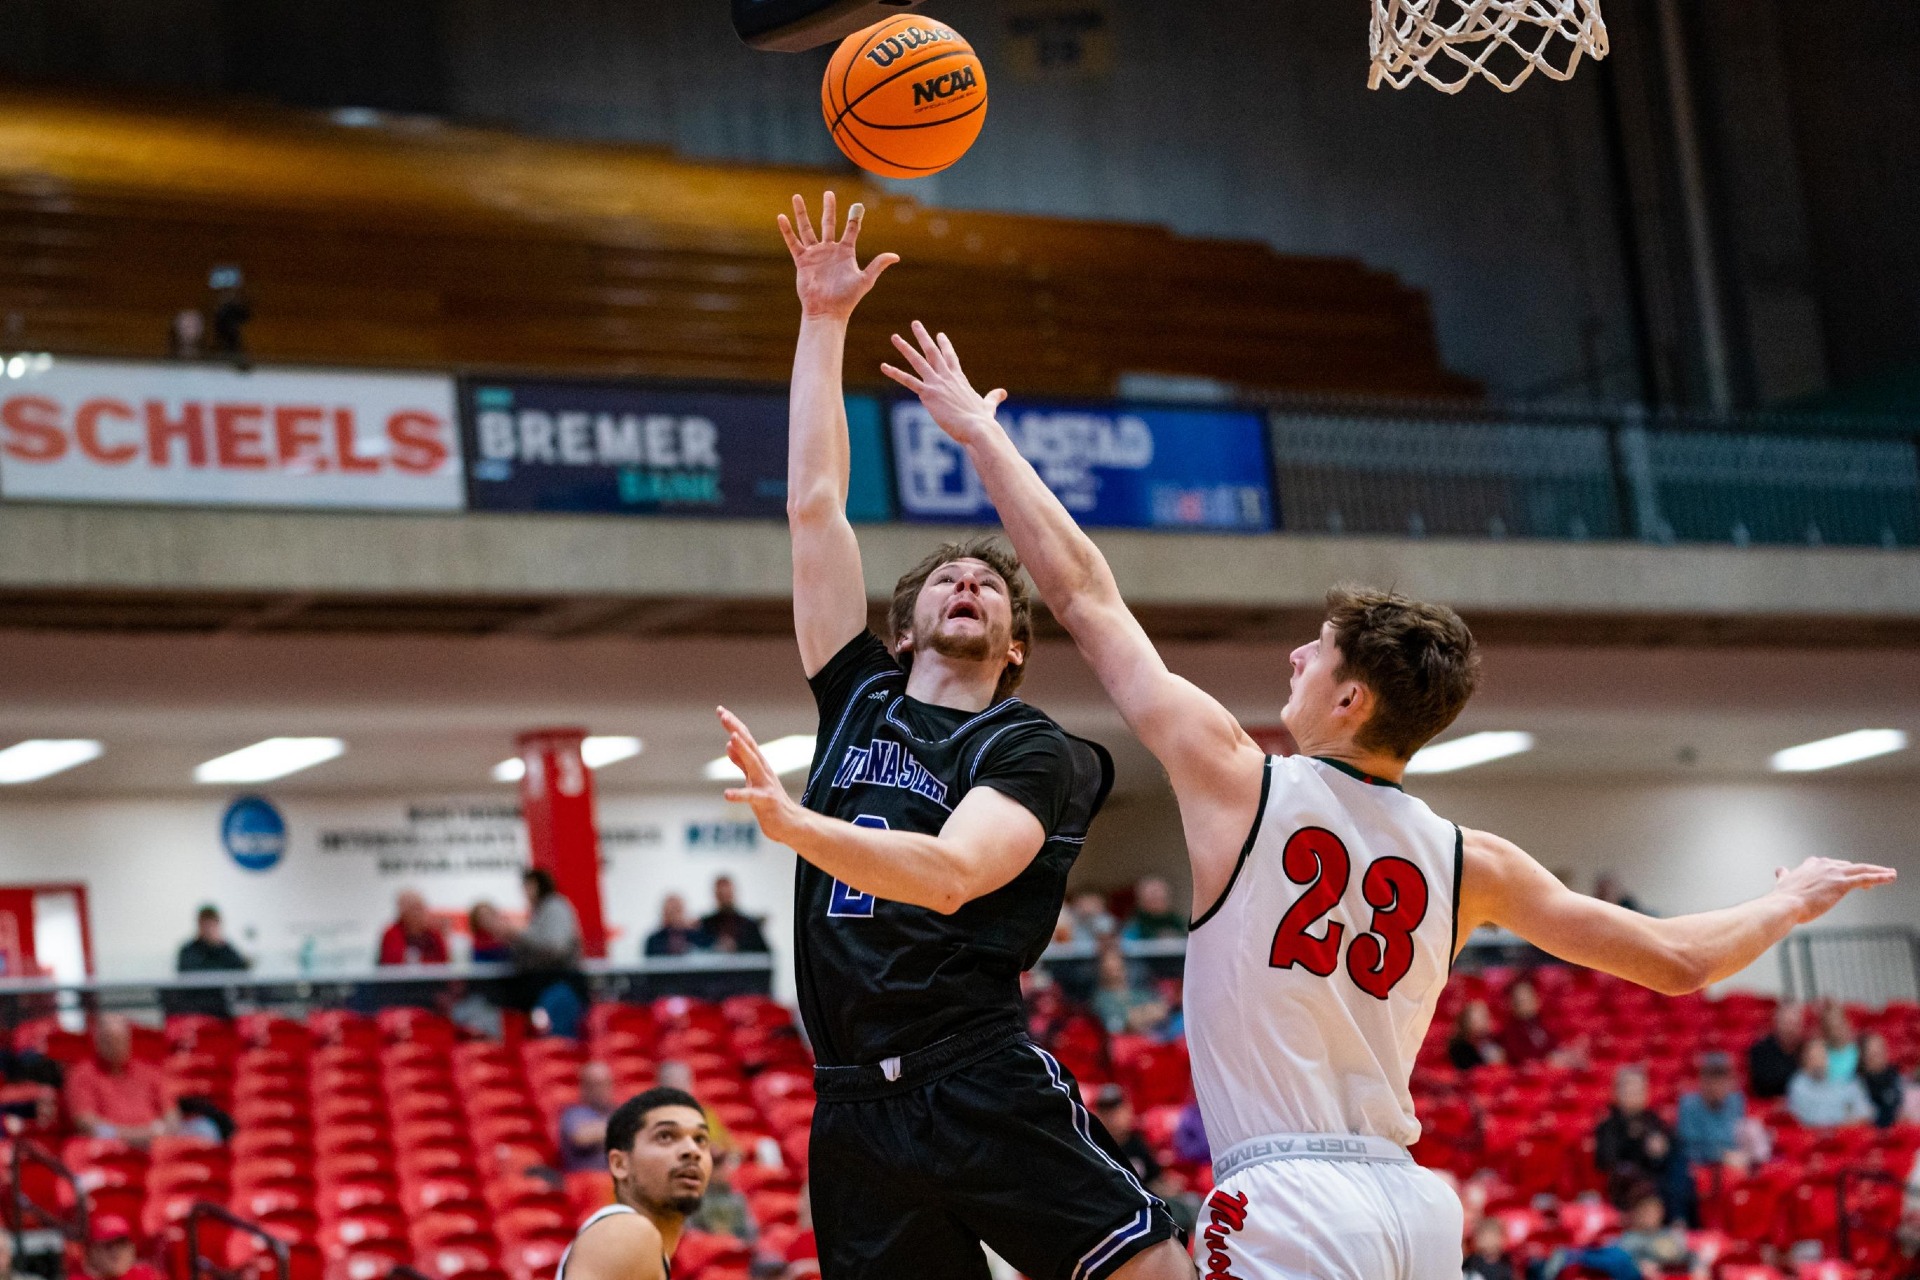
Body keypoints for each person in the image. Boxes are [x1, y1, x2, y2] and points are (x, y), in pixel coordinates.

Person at [880, 315, 1899, 1280]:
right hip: (1411, 1205)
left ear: (1352, 696)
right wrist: (1789, 899)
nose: (1294, 655)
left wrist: (981, 435)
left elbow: (1085, 593)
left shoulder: (1239, 778)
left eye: (1315, 653)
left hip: (1283, 1190)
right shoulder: (1477, 861)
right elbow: (1678, 961)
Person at [715, 193, 1185, 1280]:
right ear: (903, 622)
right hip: (850, 1105)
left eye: (989, 583)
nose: (968, 580)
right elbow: (814, 505)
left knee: (1153, 1272)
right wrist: (820, 319)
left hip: (972, 1071)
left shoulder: (1033, 748)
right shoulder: (857, 697)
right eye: (946, 577)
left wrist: (796, 823)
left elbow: (949, 874)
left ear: (1015, 643)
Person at [554, 1087, 714, 1280]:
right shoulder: (628, 1231)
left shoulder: (644, 1245)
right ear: (620, 1164)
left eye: (700, 1139)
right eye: (665, 1136)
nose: (692, 1150)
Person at [66, 1015, 177, 1148]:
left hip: (156, 1146)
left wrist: (160, 1132)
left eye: (120, 1040)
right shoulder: (82, 1075)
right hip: (109, 1149)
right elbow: (86, 1124)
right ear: (97, 1041)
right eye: (110, 1040)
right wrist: (142, 1135)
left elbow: (172, 1117)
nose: (116, 1046)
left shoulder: (149, 1072)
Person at [1594, 1066, 1687, 1221]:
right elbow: (1607, 1160)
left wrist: (1663, 1149)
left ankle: (1680, 1222)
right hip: (1627, 1182)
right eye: (1629, 1090)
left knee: (1679, 1165)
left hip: (1657, 1178)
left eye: (1638, 1090)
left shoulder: (1653, 1120)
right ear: (1617, 1093)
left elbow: (1670, 1146)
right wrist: (1639, 1144)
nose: (1633, 1095)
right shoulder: (1608, 1124)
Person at [505, 868, 586, 1037]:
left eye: (527, 886)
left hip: (558, 985)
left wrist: (518, 935)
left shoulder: (555, 907)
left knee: (558, 1041)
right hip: (544, 986)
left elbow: (556, 947)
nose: (524, 892)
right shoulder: (539, 912)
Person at [1675, 1052, 1750, 1171]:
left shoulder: (1736, 1101)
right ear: (1702, 1081)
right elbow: (1690, 1148)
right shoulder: (1688, 1105)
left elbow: (1740, 1137)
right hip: (1700, 1167)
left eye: (1722, 1079)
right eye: (1712, 1078)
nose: (1717, 1085)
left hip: (1733, 1164)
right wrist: (1721, 1156)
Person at [169, 905, 248, 1017]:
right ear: (199, 925)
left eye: (211, 925)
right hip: (193, 1004)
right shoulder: (188, 949)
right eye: (205, 925)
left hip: (219, 1003)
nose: (208, 929)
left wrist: (218, 947)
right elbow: (189, 971)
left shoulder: (224, 948)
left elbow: (240, 967)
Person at [1091, 941, 1171, 1038]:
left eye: (1118, 964)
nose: (1115, 967)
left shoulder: (1139, 993)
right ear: (1102, 970)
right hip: (1124, 1048)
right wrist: (1144, 1014)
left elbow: (1161, 1011)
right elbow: (1117, 1027)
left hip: (1151, 1043)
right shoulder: (1101, 1000)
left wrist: (1136, 1016)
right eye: (1110, 967)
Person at [1788, 1039, 1873, 1128]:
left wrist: (1845, 1125)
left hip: (1844, 1134)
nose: (1819, 1061)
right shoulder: (1798, 1085)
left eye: (1822, 1055)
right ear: (1804, 1060)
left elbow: (1866, 1113)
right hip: (1814, 1137)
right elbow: (1804, 1120)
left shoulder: (1844, 1079)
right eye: (1814, 1056)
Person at [561, 1063, 620, 1174]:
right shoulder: (574, 1113)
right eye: (597, 1084)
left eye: (606, 1084)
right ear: (584, 1087)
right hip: (587, 1180)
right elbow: (581, 1137)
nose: (603, 1089)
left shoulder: (616, 1112)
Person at [69, 1215, 161, 1280]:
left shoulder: (144, 1275)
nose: (116, 1251)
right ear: (90, 1250)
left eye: (122, 1243)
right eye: (108, 1245)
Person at [1747, 1002, 1807, 1100]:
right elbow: (1762, 1084)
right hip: (1769, 1104)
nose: (1790, 1029)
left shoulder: (1806, 1049)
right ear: (1777, 1024)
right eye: (1787, 1023)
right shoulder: (1761, 1050)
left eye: (1795, 1024)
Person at [698, 877, 770, 955]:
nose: (724, 899)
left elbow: (764, 954)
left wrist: (737, 946)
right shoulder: (705, 924)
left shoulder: (749, 924)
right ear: (716, 895)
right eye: (721, 895)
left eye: (727, 895)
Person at [1496, 980, 1559, 1067]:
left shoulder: (1545, 1023)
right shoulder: (1509, 1033)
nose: (1526, 1005)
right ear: (1512, 1005)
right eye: (1520, 1002)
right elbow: (1519, 1058)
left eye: (1528, 999)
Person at [378, 890, 449, 966]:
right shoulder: (392, 934)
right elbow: (393, 964)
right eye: (416, 909)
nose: (421, 913)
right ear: (403, 913)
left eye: (423, 908)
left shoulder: (433, 935)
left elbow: (444, 962)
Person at [644, 895, 714, 958]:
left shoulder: (699, 935)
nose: (674, 916)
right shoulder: (654, 940)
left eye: (677, 910)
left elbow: (708, 953)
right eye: (670, 911)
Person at [1861, 1032, 1906, 1128]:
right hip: (1871, 1134)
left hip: (1898, 1131)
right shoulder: (1858, 1081)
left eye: (1880, 1050)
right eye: (1873, 1052)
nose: (1878, 1055)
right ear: (1864, 1055)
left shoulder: (1895, 1074)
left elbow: (1903, 1104)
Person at [1122, 877, 1186, 941]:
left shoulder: (1176, 921)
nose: (1157, 903)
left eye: (1160, 898)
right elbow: (1128, 944)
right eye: (1152, 899)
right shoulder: (1135, 923)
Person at [1447, 1001, 1505, 1071]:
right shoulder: (1458, 1047)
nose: (1485, 1021)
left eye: (1486, 1016)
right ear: (1466, 1021)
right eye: (1479, 1017)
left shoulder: (1496, 1041)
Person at [1820, 1001, 1861, 1082]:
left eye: (1839, 1025)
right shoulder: (1821, 1054)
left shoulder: (1858, 1051)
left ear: (1846, 1023)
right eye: (1831, 1027)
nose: (1836, 1031)